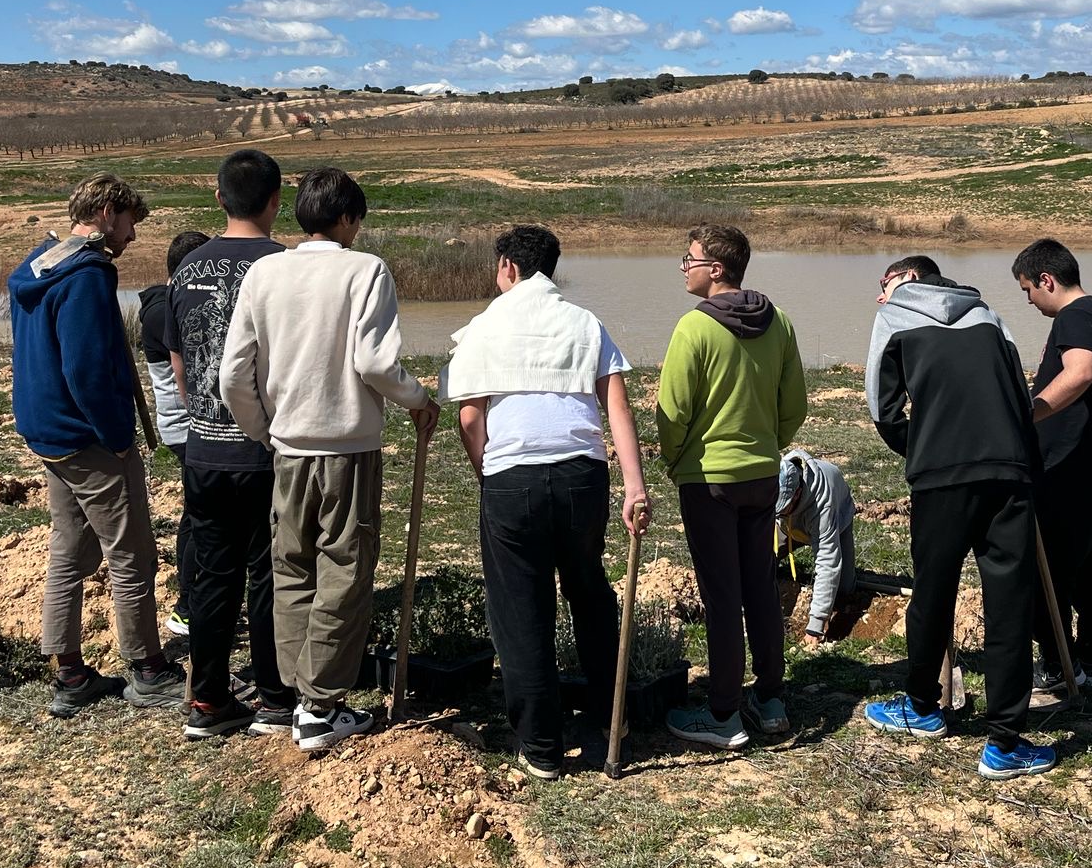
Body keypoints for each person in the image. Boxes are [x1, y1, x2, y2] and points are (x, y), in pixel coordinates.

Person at [220, 166, 440, 754]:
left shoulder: (265, 272)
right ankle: (320, 708)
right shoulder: (365, 270)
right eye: (357, 220)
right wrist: (418, 399)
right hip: (347, 447)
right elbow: (374, 362)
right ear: (346, 218)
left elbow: (233, 374)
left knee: (292, 567)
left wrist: (264, 432)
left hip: (289, 448)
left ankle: (299, 695)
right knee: (344, 568)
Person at [441, 224, 652, 779]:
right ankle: (611, 719)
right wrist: (634, 486)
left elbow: (470, 417)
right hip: (583, 476)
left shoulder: (484, 327)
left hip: (513, 478)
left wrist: (488, 473)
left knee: (520, 609)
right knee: (588, 590)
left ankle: (541, 748)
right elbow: (618, 408)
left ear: (507, 267)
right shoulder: (585, 322)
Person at [861, 255, 1055, 779]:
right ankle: (1005, 744)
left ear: (909, 279)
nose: (881, 294)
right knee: (1009, 601)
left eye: (885, 283)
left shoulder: (894, 316)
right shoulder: (987, 315)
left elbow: (882, 409)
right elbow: (1019, 395)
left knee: (933, 589)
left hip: (940, 478)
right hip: (1008, 470)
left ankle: (921, 708)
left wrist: (925, 446)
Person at [8, 174, 185, 718]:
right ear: (108, 212)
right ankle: (148, 670)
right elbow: (85, 368)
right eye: (130, 222)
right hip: (87, 438)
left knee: (69, 550)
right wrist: (116, 437)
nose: (132, 235)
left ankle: (69, 672)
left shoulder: (41, 264)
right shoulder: (86, 277)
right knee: (131, 554)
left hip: (49, 433)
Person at [166, 150, 302, 741]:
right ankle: (274, 697)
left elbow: (179, 367)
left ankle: (209, 699)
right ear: (276, 201)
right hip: (268, 448)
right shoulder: (286, 267)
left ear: (219, 197)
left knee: (212, 575)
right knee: (270, 572)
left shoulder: (186, 268)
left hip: (204, 448)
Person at [656, 223, 807, 750]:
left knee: (721, 595)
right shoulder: (779, 321)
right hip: (762, 476)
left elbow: (672, 412)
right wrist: (768, 444)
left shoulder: (694, 328)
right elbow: (795, 406)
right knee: (760, 586)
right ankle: (770, 699)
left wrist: (676, 459)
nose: (684, 267)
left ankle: (723, 712)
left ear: (716, 269)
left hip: (709, 480)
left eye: (689, 259)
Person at [1013, 237, 1092, 692]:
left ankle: (1059, 667)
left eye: (1028, 289)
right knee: (1091, 563)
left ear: (1046, 280)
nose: (1029, 300)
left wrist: (1028, 412)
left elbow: (1080, 372)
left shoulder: (1077, 315)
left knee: (1049, 571)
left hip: (1072, 470)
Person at [141, 230, 208, 637]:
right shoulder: (165, 311)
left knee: (199, 512)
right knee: (200, 516)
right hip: (186, 427)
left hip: (182, 425)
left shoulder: (163, 304)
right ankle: (186, 605)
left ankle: (192, 600)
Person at [777, 449, 857, 645]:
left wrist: (816, 624)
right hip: (789, 525)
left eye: (782, 508)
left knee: (845, 588)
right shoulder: (776, 477)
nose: (778, 513)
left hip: (835, 516)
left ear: (797, 494)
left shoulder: (823, 506)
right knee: (761, 558)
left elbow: (827, 561)